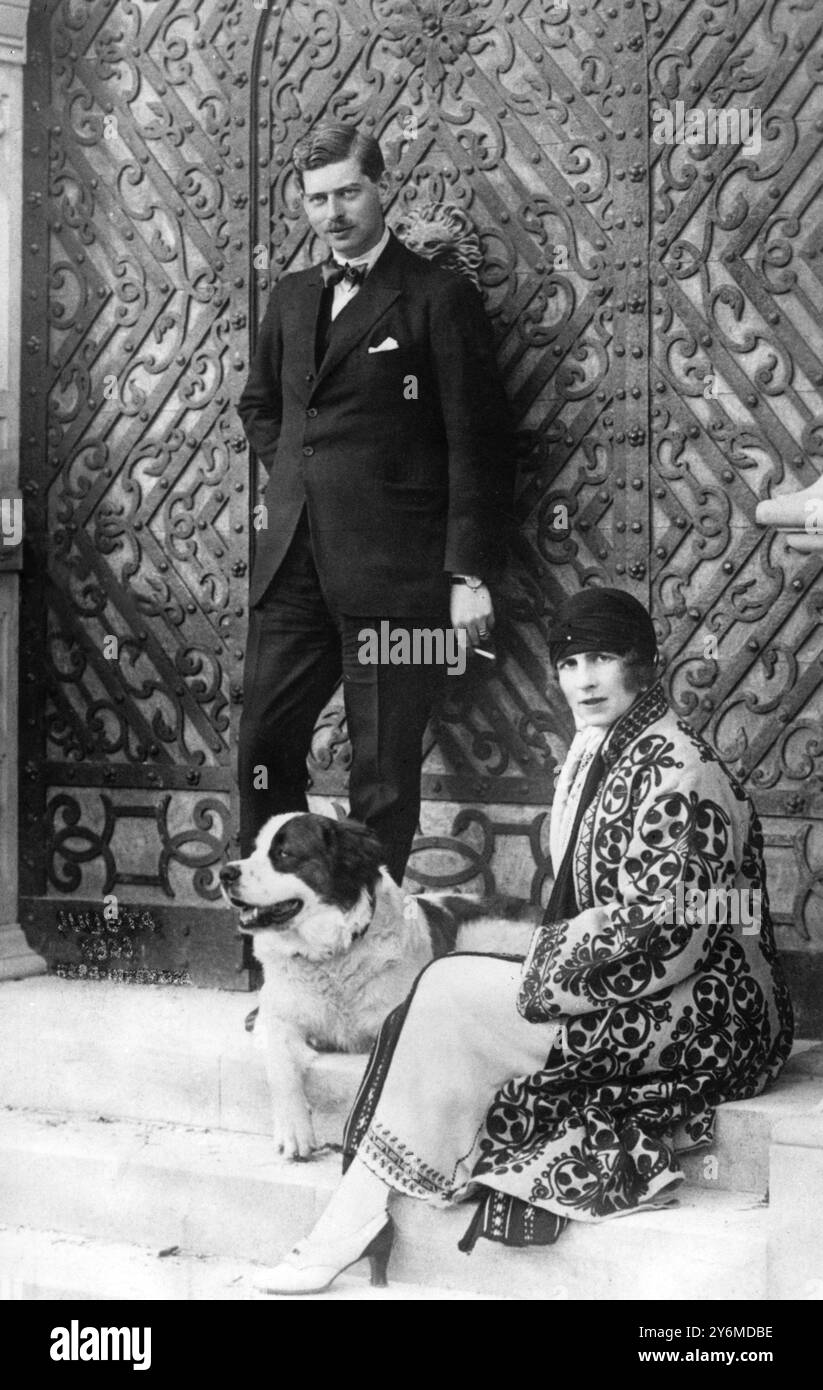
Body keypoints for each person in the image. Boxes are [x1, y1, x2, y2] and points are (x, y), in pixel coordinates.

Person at [257, 587, 794, 1295]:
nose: (585, 679)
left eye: (604, 659)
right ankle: (352, 1219)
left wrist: (534, 970)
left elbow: (668, 939)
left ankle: (346, 1223)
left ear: (643, 664)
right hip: (629, 980)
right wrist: (537, 966)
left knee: (451, 993)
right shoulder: (598, 748)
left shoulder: (678, 773)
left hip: (708, 1011)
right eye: (570, 662)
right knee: (451, 996)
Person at [236, 123, 512, 881]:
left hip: (398, 578)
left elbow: (476, 440)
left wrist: (466, 575)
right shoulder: (291, 296)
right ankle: (280, 928)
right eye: (316, 199)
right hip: (291, 566)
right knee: (263, 745)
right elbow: (261, 407)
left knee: (382, 772)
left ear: (380, 186)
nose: (331, 213)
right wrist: (298, 476)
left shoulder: (437, 297)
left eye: (347, 192)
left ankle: (369, 948)